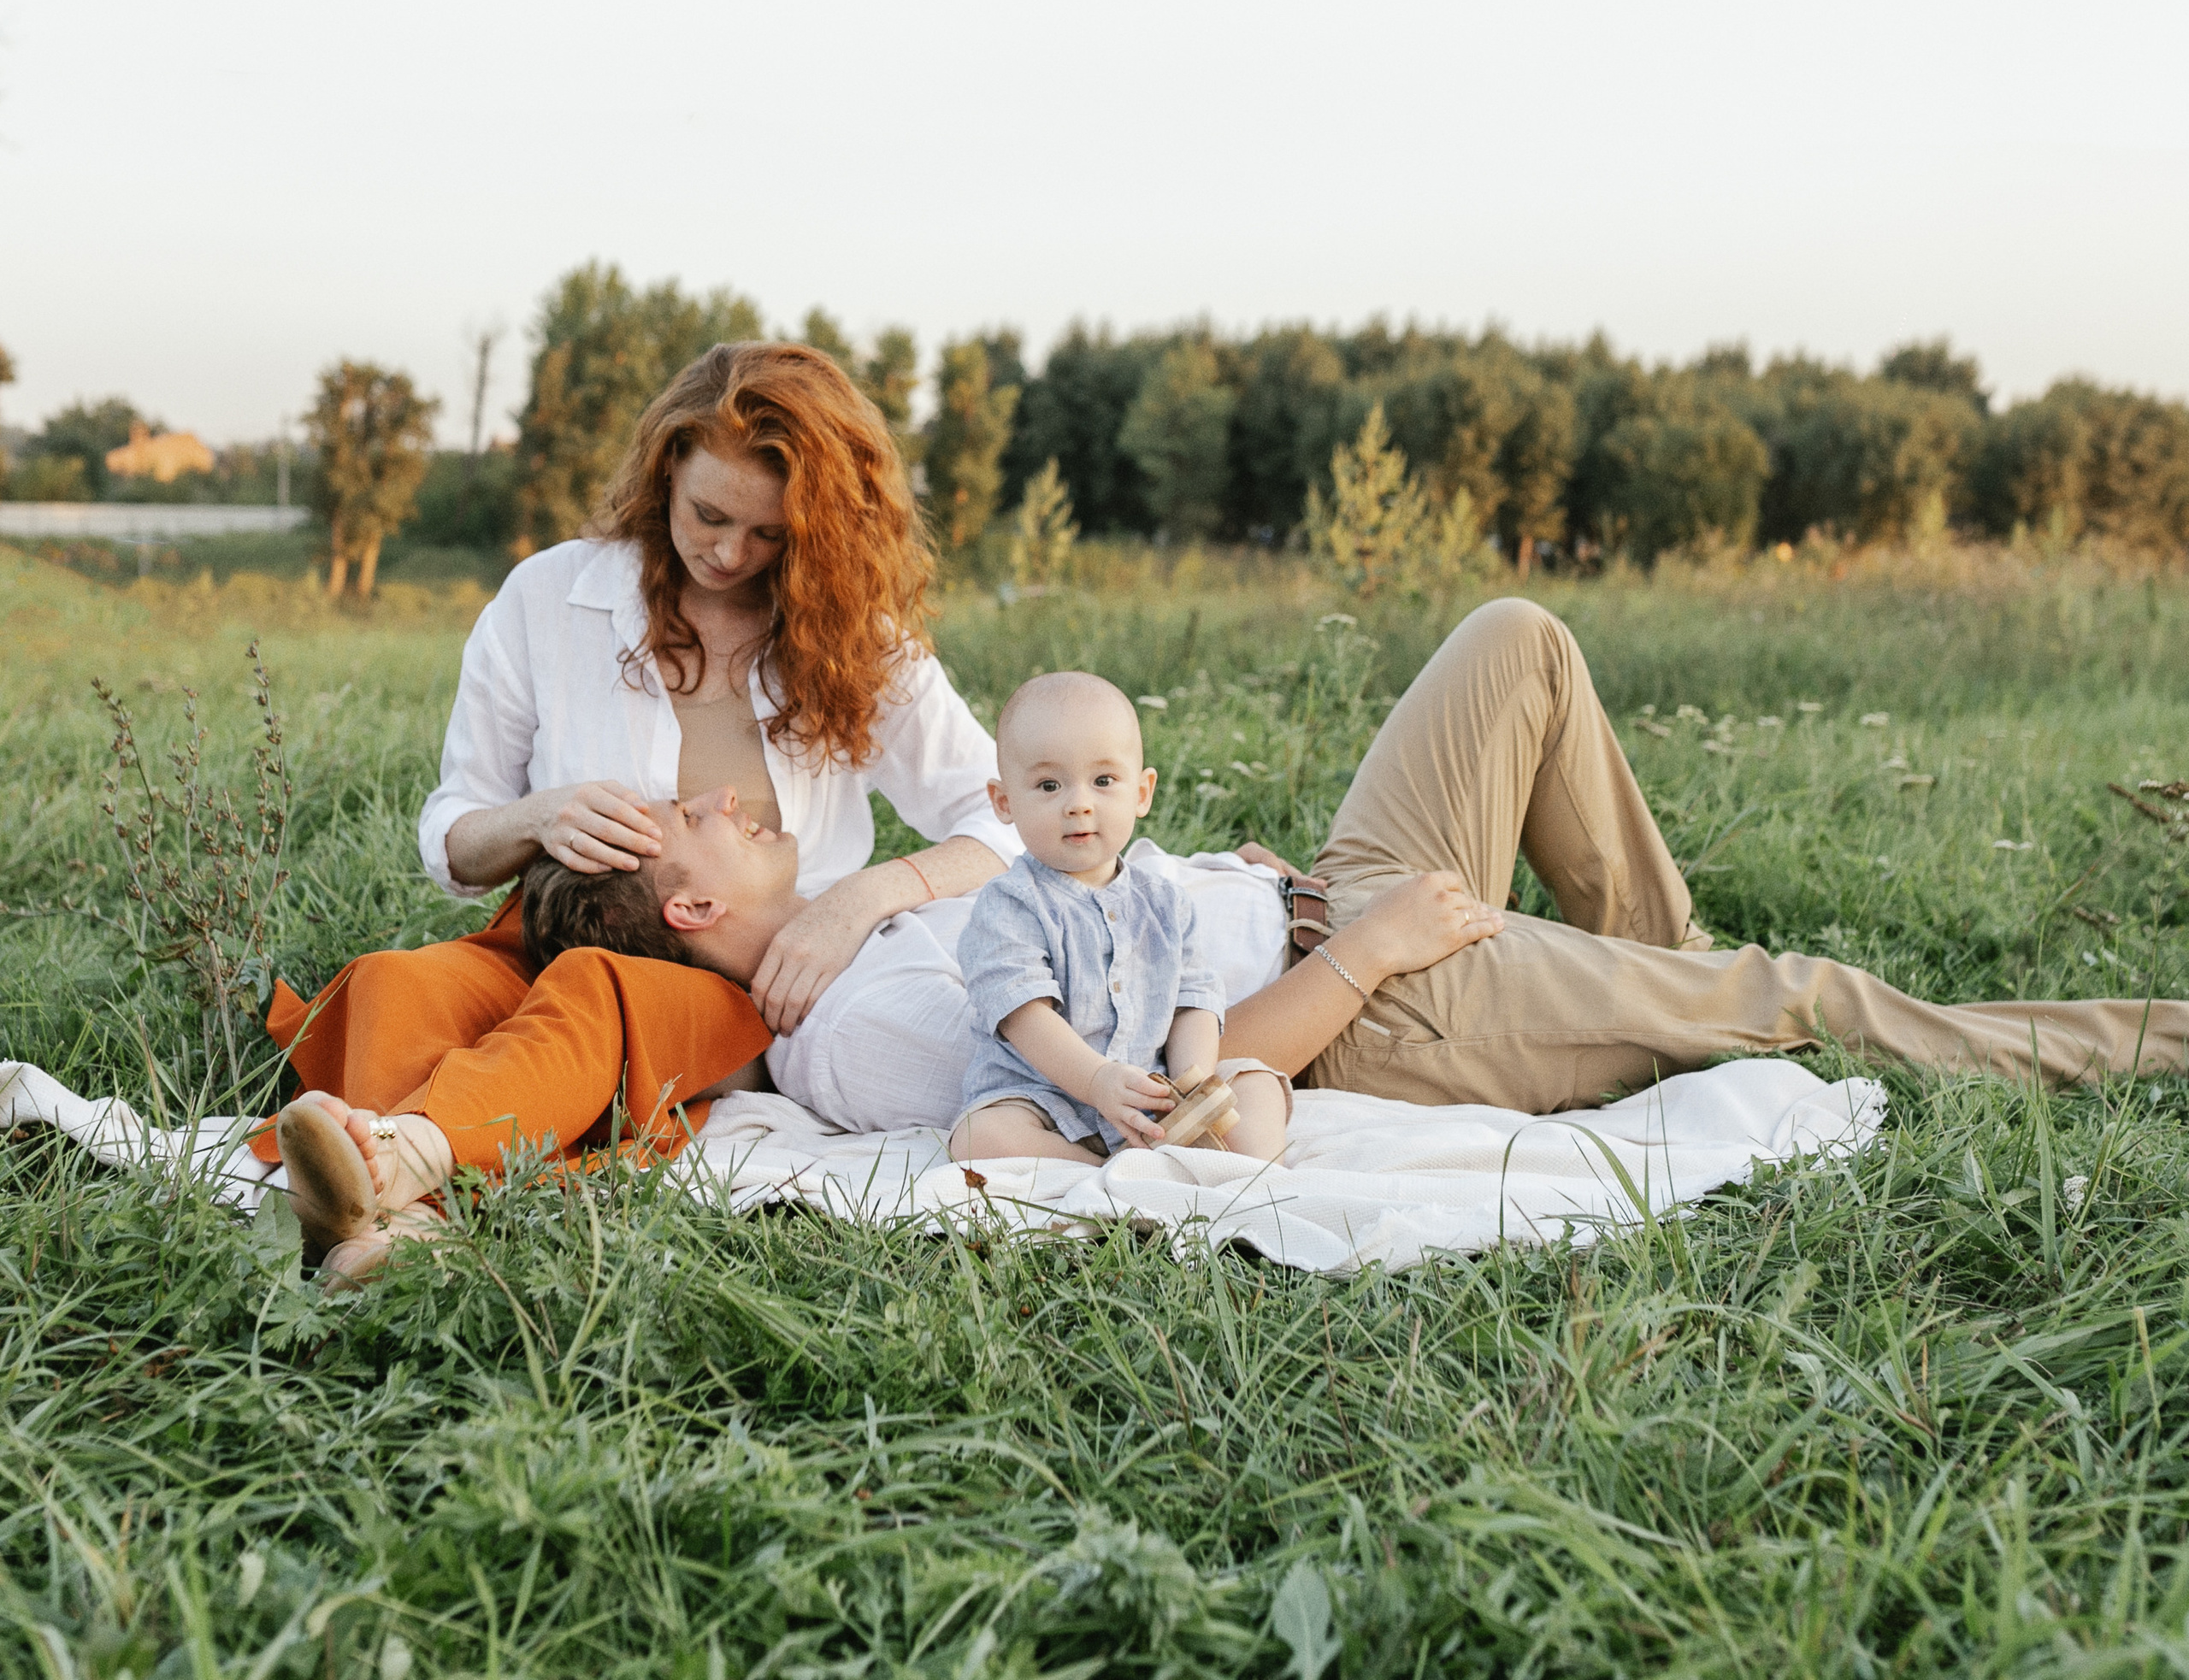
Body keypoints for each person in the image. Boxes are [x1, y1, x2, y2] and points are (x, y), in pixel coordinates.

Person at [527, 598, 2189, 1134]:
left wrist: (1223, 876)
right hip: (1385, 1003)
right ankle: (2145, 1038)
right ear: (682, 904)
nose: (723, 792)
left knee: (1513, 640)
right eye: (686, 810)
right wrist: (1373, 953)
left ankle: (1673, 992)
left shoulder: (862, 919)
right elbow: (1172, 1088)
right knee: (1801, 992)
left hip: (1322, 886)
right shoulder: (865, 1032)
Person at [262, 341, 1019, 1276]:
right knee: (395, 980)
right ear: (666, 469)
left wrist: (858, 901)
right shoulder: (549, 597)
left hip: (736, 979)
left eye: (770, 534)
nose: (729, 553)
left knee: (595, 997)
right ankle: (385, 1198)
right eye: (708, 514)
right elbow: (453, 833)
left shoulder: (857, 642)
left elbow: (1008, 817)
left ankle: (404, 1178)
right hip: (550, 931)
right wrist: (537, 817)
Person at [947, 673, 1290, 1164]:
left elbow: (1192, 1003)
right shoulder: (1009, 905)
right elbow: (1025, 1015)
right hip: (1048, 1102)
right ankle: (1113, 1174)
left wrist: (1190, 1084)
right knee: (982, 1138)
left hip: (1151, 1094)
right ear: (1004, 802)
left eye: (1104, 781)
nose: (1079, 803)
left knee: (1259, 1083)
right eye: (1049, 785)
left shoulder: (1166, 904)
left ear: (1142, 792)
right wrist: (1096, 1081)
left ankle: (1242, 1175)